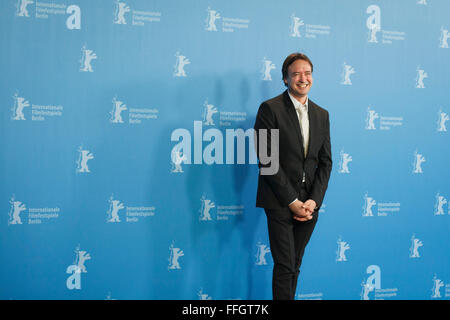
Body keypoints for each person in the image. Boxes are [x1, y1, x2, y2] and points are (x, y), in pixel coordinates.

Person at [254, 53, 332, 300]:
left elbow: (325, 162)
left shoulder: (322, 114)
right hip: (279, 201)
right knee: (285, 265)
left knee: (295, 264)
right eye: (296, 73)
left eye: (307, 73)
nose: (303, 78)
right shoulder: (270, 109)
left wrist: (313, 201)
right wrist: (291, 201)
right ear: (285, 79)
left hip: (309, 204)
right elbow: (267, 161)